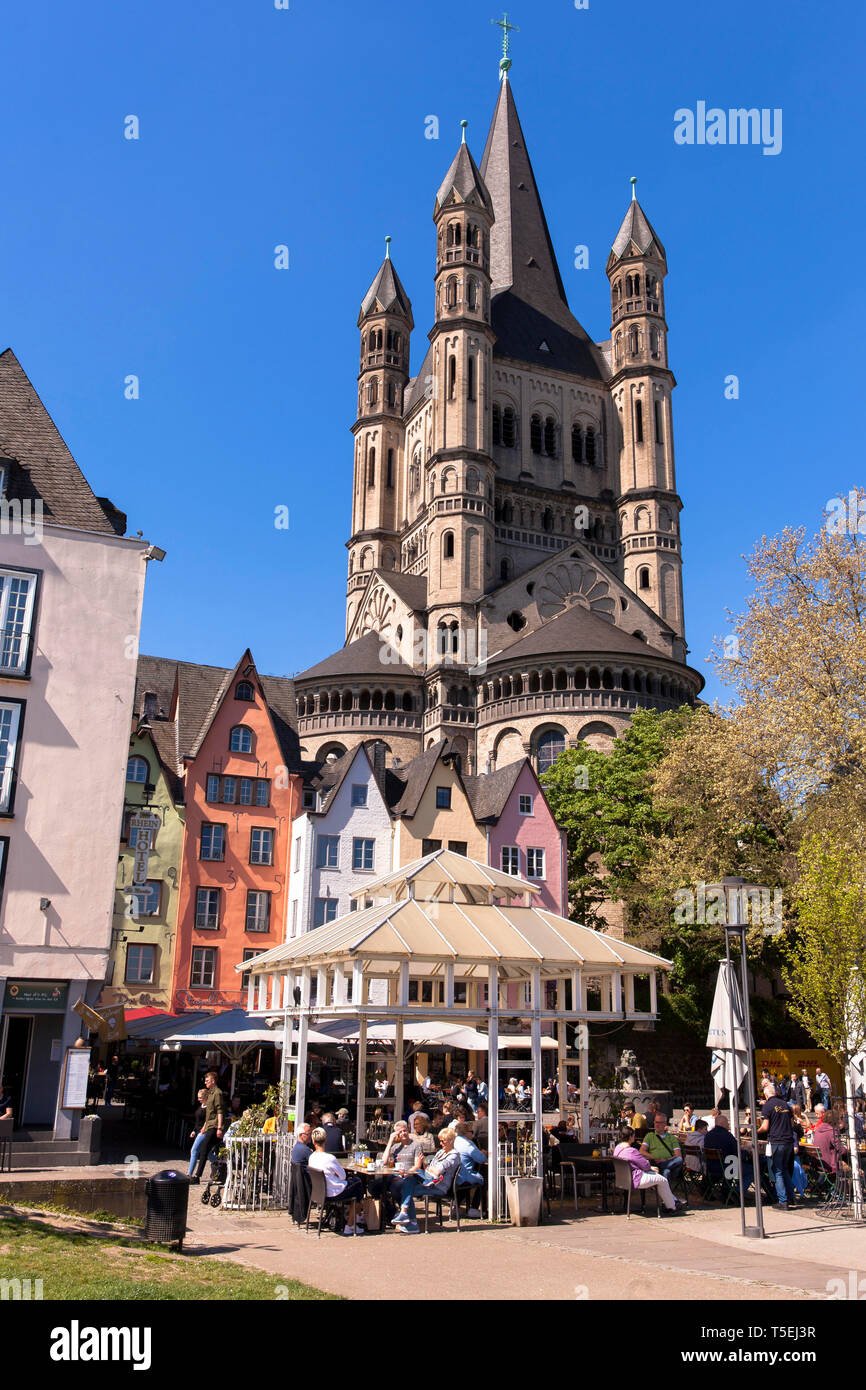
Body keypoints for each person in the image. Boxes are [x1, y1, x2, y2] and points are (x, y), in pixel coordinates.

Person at [390, 1127, 462, 1234]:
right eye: (440, 1140)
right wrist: (424, 1163)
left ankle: (409, 1220)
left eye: (443, 1141)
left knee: (406, 1187)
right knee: (409, 1180)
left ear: (451, 1141)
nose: (440, 1143)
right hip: (430, 1181)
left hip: (438, 1186)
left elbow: (437, 1171)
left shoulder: (453, 1155)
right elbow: (430, 1168)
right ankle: (408, 1219)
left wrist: (427, 1168)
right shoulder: (441, 1152)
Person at [308, 1127, 365, 1236]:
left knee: (356, 1184)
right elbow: (343, 1176)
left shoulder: (312, 1157)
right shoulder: (330, 1158)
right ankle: (351, 1224)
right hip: (334, 1192)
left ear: (313, 1141)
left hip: (320, 1193)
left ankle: (356, 1218)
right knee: (358, 1183)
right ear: (325, 1140)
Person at [613, 1128, 683, 1213]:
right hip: (636, 1179)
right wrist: (651, 1167)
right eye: (633, 1135)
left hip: (623, 1180)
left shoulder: (617, 1148)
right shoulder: (632, 1151)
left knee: (660, 1177)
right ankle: (672, 1206)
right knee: (663, 1180)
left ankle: (673, 1202)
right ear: (631, 1137)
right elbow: (645, 1166)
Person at [758, 1082, 797, 1209]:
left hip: (777, 1141)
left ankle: (783, 1201)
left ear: (766, 1095)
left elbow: (765, 1127)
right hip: (789, 1141)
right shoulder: (786, 1104)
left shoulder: (768, 1106)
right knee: (785, 1169)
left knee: (778, 1171)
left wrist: (754, 1131)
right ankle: (791, 1197)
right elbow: (792, 1124)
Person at [704, 1113, 755, 1192]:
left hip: (711, 1168)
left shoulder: (708, 1135)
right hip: (727, 1169)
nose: (728, 1124)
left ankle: (727, 1189)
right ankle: (737, 1192)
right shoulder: (727, 1136)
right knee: (753, 1170)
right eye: (727, 1122)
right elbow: (738, 1153)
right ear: (722, 1124)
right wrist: (747, 1151)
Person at [191, 1070, 225, 1183]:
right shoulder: (210, 1093)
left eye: (207, 1080)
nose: (205, 1082)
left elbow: (219, 1111)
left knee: (204, 1149)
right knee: (206, 1151)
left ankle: (197, 1176)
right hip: (209, 1125)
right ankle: (222, 1171)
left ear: (213, 1081)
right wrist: (205, 1126)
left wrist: (219, 1128)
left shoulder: (217, 1093)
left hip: (214, 1126)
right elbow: (209, 1113)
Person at [453, 1121, 487, 1217]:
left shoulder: (455, 1141)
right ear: (465, 1133)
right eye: (471, 1131)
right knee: (483, 1180)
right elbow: (481, 1159)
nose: (473, 1133)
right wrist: (484, 1153)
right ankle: (475, 1208)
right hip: (465, 1176)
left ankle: (456, 1206)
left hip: (455, 1175)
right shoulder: (468, 1144)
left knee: (466, 1182)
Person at [640, 1113, 683, 1185]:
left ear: (665, 1124)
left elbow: (678, 1155)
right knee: (666, 1171)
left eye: (660, 1123)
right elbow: (641, 1151)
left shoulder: (672, 1138)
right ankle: (666, 1194)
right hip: (655, 1164)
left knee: (679, 1159)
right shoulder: (649, 1136)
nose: (657, 1124)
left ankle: (663, 1165)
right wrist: (655, 1157)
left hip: (670, 1165)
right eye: (656, 1122)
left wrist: (665, 1160)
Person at [811, 1105, 848, 1174]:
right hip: (829, 1165)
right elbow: (842, 1151)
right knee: (858, 1167)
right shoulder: (831, 1131)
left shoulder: (819, 1129)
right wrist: (847, 1149)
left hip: (818, 1164)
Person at [187, 1088, 209, 1177]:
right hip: (198, 1131)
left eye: (200, 1097)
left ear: (205, 1097)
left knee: (194, 1150)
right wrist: (194, 1130)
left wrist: (203, 1129)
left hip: (204, 1132)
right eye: (198, 1097)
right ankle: (220, 1166)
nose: (198, 1099)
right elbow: (198, 1121)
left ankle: (189, 1173)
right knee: (209, 1153)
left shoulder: (208, 1107)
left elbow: (207, 1120)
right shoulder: (201, 1106)